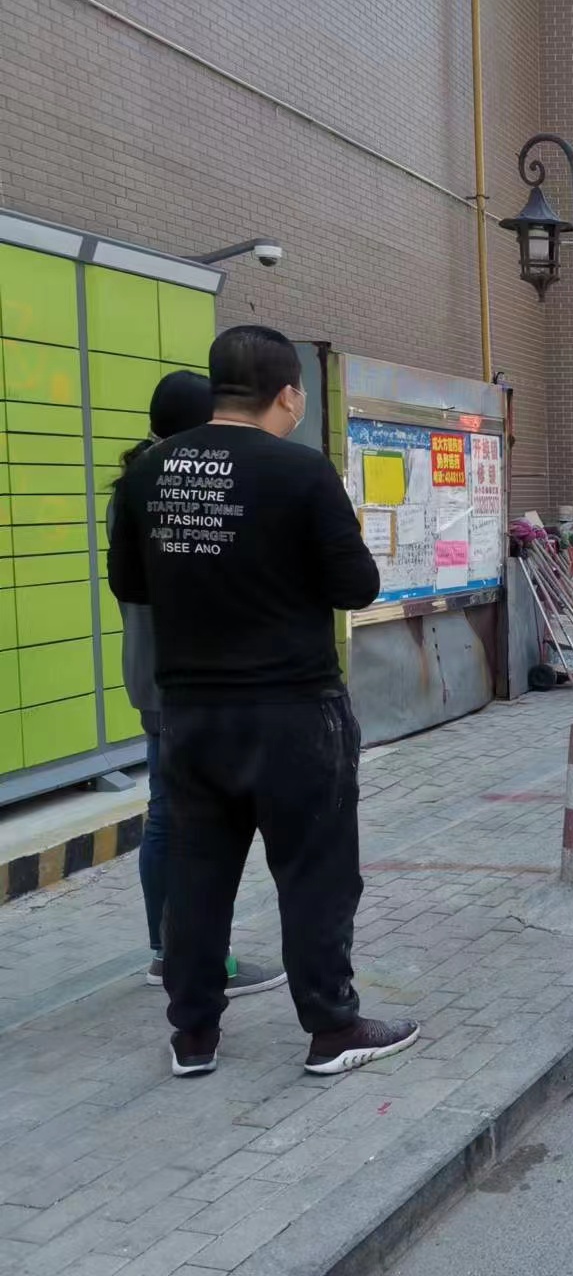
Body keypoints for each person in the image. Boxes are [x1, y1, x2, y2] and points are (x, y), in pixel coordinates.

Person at [108, 325, 417, 1079]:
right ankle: (332, 1029)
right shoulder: (301, 470)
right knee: (315, 874)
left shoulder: (147, 475)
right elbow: (357, 586)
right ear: (287, 394)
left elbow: (130, 584)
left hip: (191, 714)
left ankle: (193, 1036)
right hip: (293, 710)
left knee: (198, 874)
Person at [112, 371, 285, 997]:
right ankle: (195, 959)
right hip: (182, 679)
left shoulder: (139, 482)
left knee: (169, 812)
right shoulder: (169, 488)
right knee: (186, 820)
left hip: (157, 677)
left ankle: (173, 951)